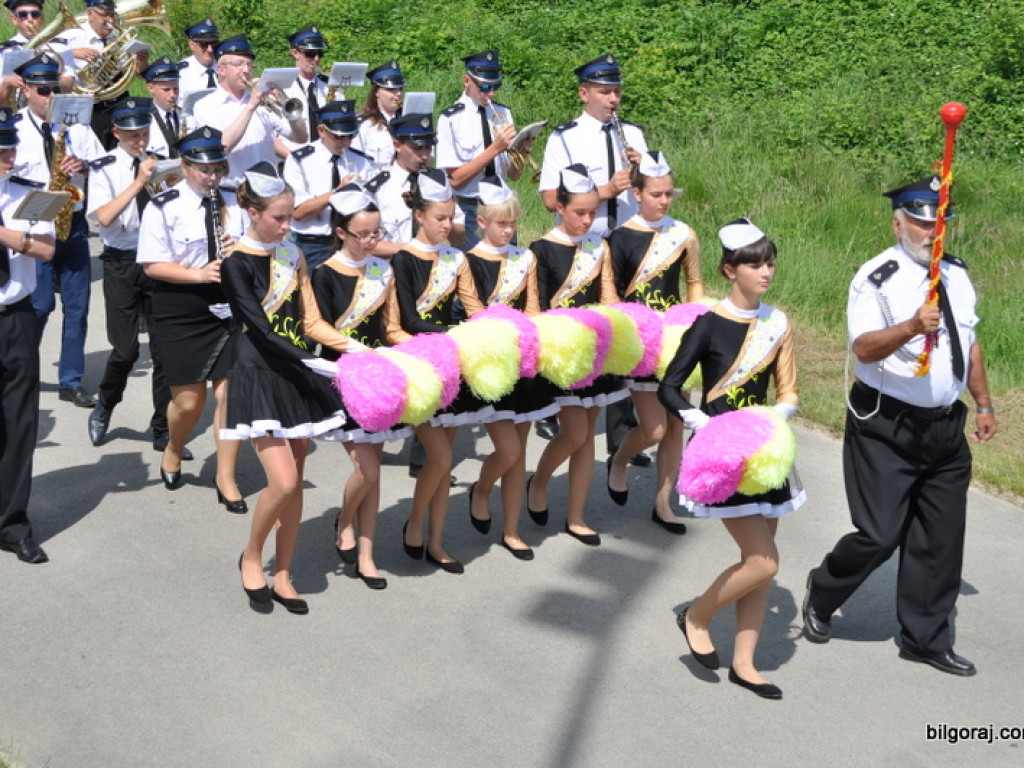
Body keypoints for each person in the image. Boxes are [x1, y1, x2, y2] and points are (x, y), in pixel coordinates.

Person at [802, 176, 997, 677]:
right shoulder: (877, 277)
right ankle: (823, 591)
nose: (931, 232)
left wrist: (984, 401)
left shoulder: (956, 275)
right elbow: (863, 348)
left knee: (940, 537)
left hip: (944, 427)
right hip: (886, 424)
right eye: (920, 222)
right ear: (898, 222)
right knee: (879, 534)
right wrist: (911, 325)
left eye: (939, 224)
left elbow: (969, 342)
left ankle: (925, 638)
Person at [658, 218, 801, 700]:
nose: (766, 272)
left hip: (764, 453)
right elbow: (669, 386)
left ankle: (745, 663)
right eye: (755, 264)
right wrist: (703, 423)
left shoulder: (777, 323)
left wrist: (773, 418)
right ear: (728, 269)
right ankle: (696, 616)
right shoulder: (708, 324)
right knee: (765, 561)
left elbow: (789, 390)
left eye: (770, 263)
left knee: (757, 561)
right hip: (723, 457)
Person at [221, 162, 351, 614]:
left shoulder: (290, 253)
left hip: (296, 375)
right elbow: (257, 328)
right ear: (253, 212)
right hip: (258, 372)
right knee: (284, 480)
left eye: (290, 215)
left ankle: (283, 572)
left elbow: (310, 319)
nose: (286, 224)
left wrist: (353, 350)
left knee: (293, 487)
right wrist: (314, 362)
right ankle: (253, 556)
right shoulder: (236, 263)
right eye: (278, 216)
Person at [539, 53, 649, 461]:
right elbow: (552, 199)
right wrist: (604, 191)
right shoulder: (564, 137)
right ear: (584, 93)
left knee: (622, 332)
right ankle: (560, 403)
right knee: (581, 330)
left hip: (629, 241)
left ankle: (622, 433)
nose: (613, 99)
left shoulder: (633, 132)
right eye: (605, 92)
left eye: (617, 91)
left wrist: (643, 173)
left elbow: (655, 192)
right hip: (585, 243)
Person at [136, 127, 245, 510]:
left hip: (226, 304)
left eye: (217, 168)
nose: (212, 176)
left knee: (229, 395)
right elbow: (152, 265)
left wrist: (239, 253)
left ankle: (226, 477)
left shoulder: (235, 200)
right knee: (188, 402)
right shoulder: (163, 205)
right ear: (185, 167)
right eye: (203, 169)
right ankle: (174, 446)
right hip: (180, 306)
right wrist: (198, 274)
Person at [385, 167, 484, 573]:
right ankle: (413, 521)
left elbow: (473, 306)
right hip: (418, 362)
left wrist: (492, 329)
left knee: (442, 464)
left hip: (451, 363)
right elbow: (408, 318)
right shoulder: (403, 259)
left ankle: (437, 540)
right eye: (440, 218)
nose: (448, 225)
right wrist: (457, 334)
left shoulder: (456, 258)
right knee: (441, 459)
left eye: (452, 217)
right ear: (419, 216)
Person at [84, 96, 192, 460]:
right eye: (131, 134)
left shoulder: (162, 163)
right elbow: (104, 218)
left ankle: (162, 429)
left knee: (164, 352)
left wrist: (170, 181)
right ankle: (106, 402)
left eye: (143, 132)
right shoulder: (105, 167)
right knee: (126, 349)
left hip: (158, 260)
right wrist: (139, 182)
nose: (140, 140)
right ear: (116, 133)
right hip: (122, 261)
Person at [525, 164, 625, 547]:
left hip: (595, 353)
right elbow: (542, 308)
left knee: (587, 440)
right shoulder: (541, 249)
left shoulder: (598, 247)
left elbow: (609, 296)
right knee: (576, 432)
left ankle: (577, 516)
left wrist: (614, 323)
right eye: (579, 212)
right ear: (559, 208)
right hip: (562, 355)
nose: (587, 220)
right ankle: (540, 481)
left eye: (592, 213)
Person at [312, 183, 403, 590]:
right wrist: (358, 353)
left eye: (376, 233)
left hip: (381, 375)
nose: (371, 241)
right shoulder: (324, 274)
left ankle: (367, 554)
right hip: (344, 376)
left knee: (375, 469)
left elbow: (391, 326)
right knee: (365, 469)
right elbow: (321, 331)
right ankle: (344, 520)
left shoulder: (384, 270)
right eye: (362, 234)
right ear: (340, 232)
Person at [606, 151, 702, 534]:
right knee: (655, 429)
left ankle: (663, 503)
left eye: (668, 194)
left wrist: (697, 324)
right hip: (641, 342)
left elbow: (694, 282)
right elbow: (611, 293)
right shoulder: (621, 236)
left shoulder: (684, 234)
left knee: (676, 427)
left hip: (677, 337)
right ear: (636, 193)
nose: (664, 201)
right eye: (656, 194)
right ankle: (619, 458)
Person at [463, 176, 551, 560]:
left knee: (521, 451)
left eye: (513, 222)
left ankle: (512, 530)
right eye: (501, 223)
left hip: (524, 364)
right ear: (481, 222)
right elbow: (473, 313)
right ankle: (481, 488)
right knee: (509, 451)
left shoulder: (525, 258)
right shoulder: (467, 261)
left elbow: (533, 308)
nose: (509, 229)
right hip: (491, 365)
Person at [15, 52, 104, 409]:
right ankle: (21, 371)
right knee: (37, 307)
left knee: (78, 307)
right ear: (26, 90)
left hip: (73, 223)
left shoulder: (76, 127)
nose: (50, 96)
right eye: (42, 90)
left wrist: (84, 164)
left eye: (54, 89)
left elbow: (104, 163)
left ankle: (71, 379)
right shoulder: (13, 129)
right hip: (34, 224)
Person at [0, 106, 56, 565]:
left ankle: (13, 522)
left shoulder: (31, 193)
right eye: (0, 149)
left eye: (10, 147)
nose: (7, 156)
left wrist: (4, 235)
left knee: (19, 421)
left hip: (14, 313)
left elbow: (46, 248)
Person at [192, 35, 308, 187]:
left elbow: (301, 137)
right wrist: (250, 106)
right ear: (221, 70)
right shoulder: (205, 105)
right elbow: (221, 147)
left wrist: (286, 103)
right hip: (233, 189)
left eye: (249, 64)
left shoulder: (263, 101)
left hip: (268, 188)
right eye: (238, 64)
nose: (246, 70)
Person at [436, 49, 520, 253]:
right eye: (483, 87)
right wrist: (495, 149)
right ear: (466, 80)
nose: (490, 93)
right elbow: (455, 179)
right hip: (471, 208)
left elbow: (513, 175)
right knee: (474, 273)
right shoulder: (450, 119)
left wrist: (521, 153)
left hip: (501, 203)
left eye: (495, 87)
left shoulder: (502, 112)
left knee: (508, 270)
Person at [283, 100, 370, 271]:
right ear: (321, 130)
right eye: (338, 136)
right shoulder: (300, 160)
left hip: (351, 242)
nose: (345, 143)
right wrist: (337, 193)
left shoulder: (362, 161)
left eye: (350, 136)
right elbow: (298, 212)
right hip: (313, 243)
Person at [365, 112, 465, 257]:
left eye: (428, 148)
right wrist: (413, 250)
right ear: (397, 145)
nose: (424, 156)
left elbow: (459, 238)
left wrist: (443, 219)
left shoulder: (438, 182)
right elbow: (367, 244)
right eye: (417, 149)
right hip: (392, 269)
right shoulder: (380, 187)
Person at [63, 0, 145, 149]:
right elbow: (47, 56)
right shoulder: (71, 37)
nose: (111, 21)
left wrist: (141, 62)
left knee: (129, 148)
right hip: (91, 107)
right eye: (105, 15)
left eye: (112, 15)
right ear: (90, 14)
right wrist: (72, 53)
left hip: (120, 101)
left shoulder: (119, 35)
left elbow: (139, 74)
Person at [353, 60, 404, 173]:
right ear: (376, 92)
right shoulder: (363, 124)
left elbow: (429, 158)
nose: (398, 94)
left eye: (400, 89)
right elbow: (355, 164)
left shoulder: (409, 120)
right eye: (391, 90)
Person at [282, 25, 331, 144]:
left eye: (320, 53)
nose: (316, 59)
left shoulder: (330, 87)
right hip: (293, 157)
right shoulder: (283, 87)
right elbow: (272, 136)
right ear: (295, 53)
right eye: (310, 53)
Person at [142, 56, 186, 158]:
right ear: (150, 88)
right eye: (166, 90)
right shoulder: (144, 119)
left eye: (176, 89)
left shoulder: (185, 115)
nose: (173, 95)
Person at [178, 18, 219, 104]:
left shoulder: (225, 68)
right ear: (192, 45)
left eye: (214, 44)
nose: (210, 49)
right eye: (204, 44)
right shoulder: (181, 73)